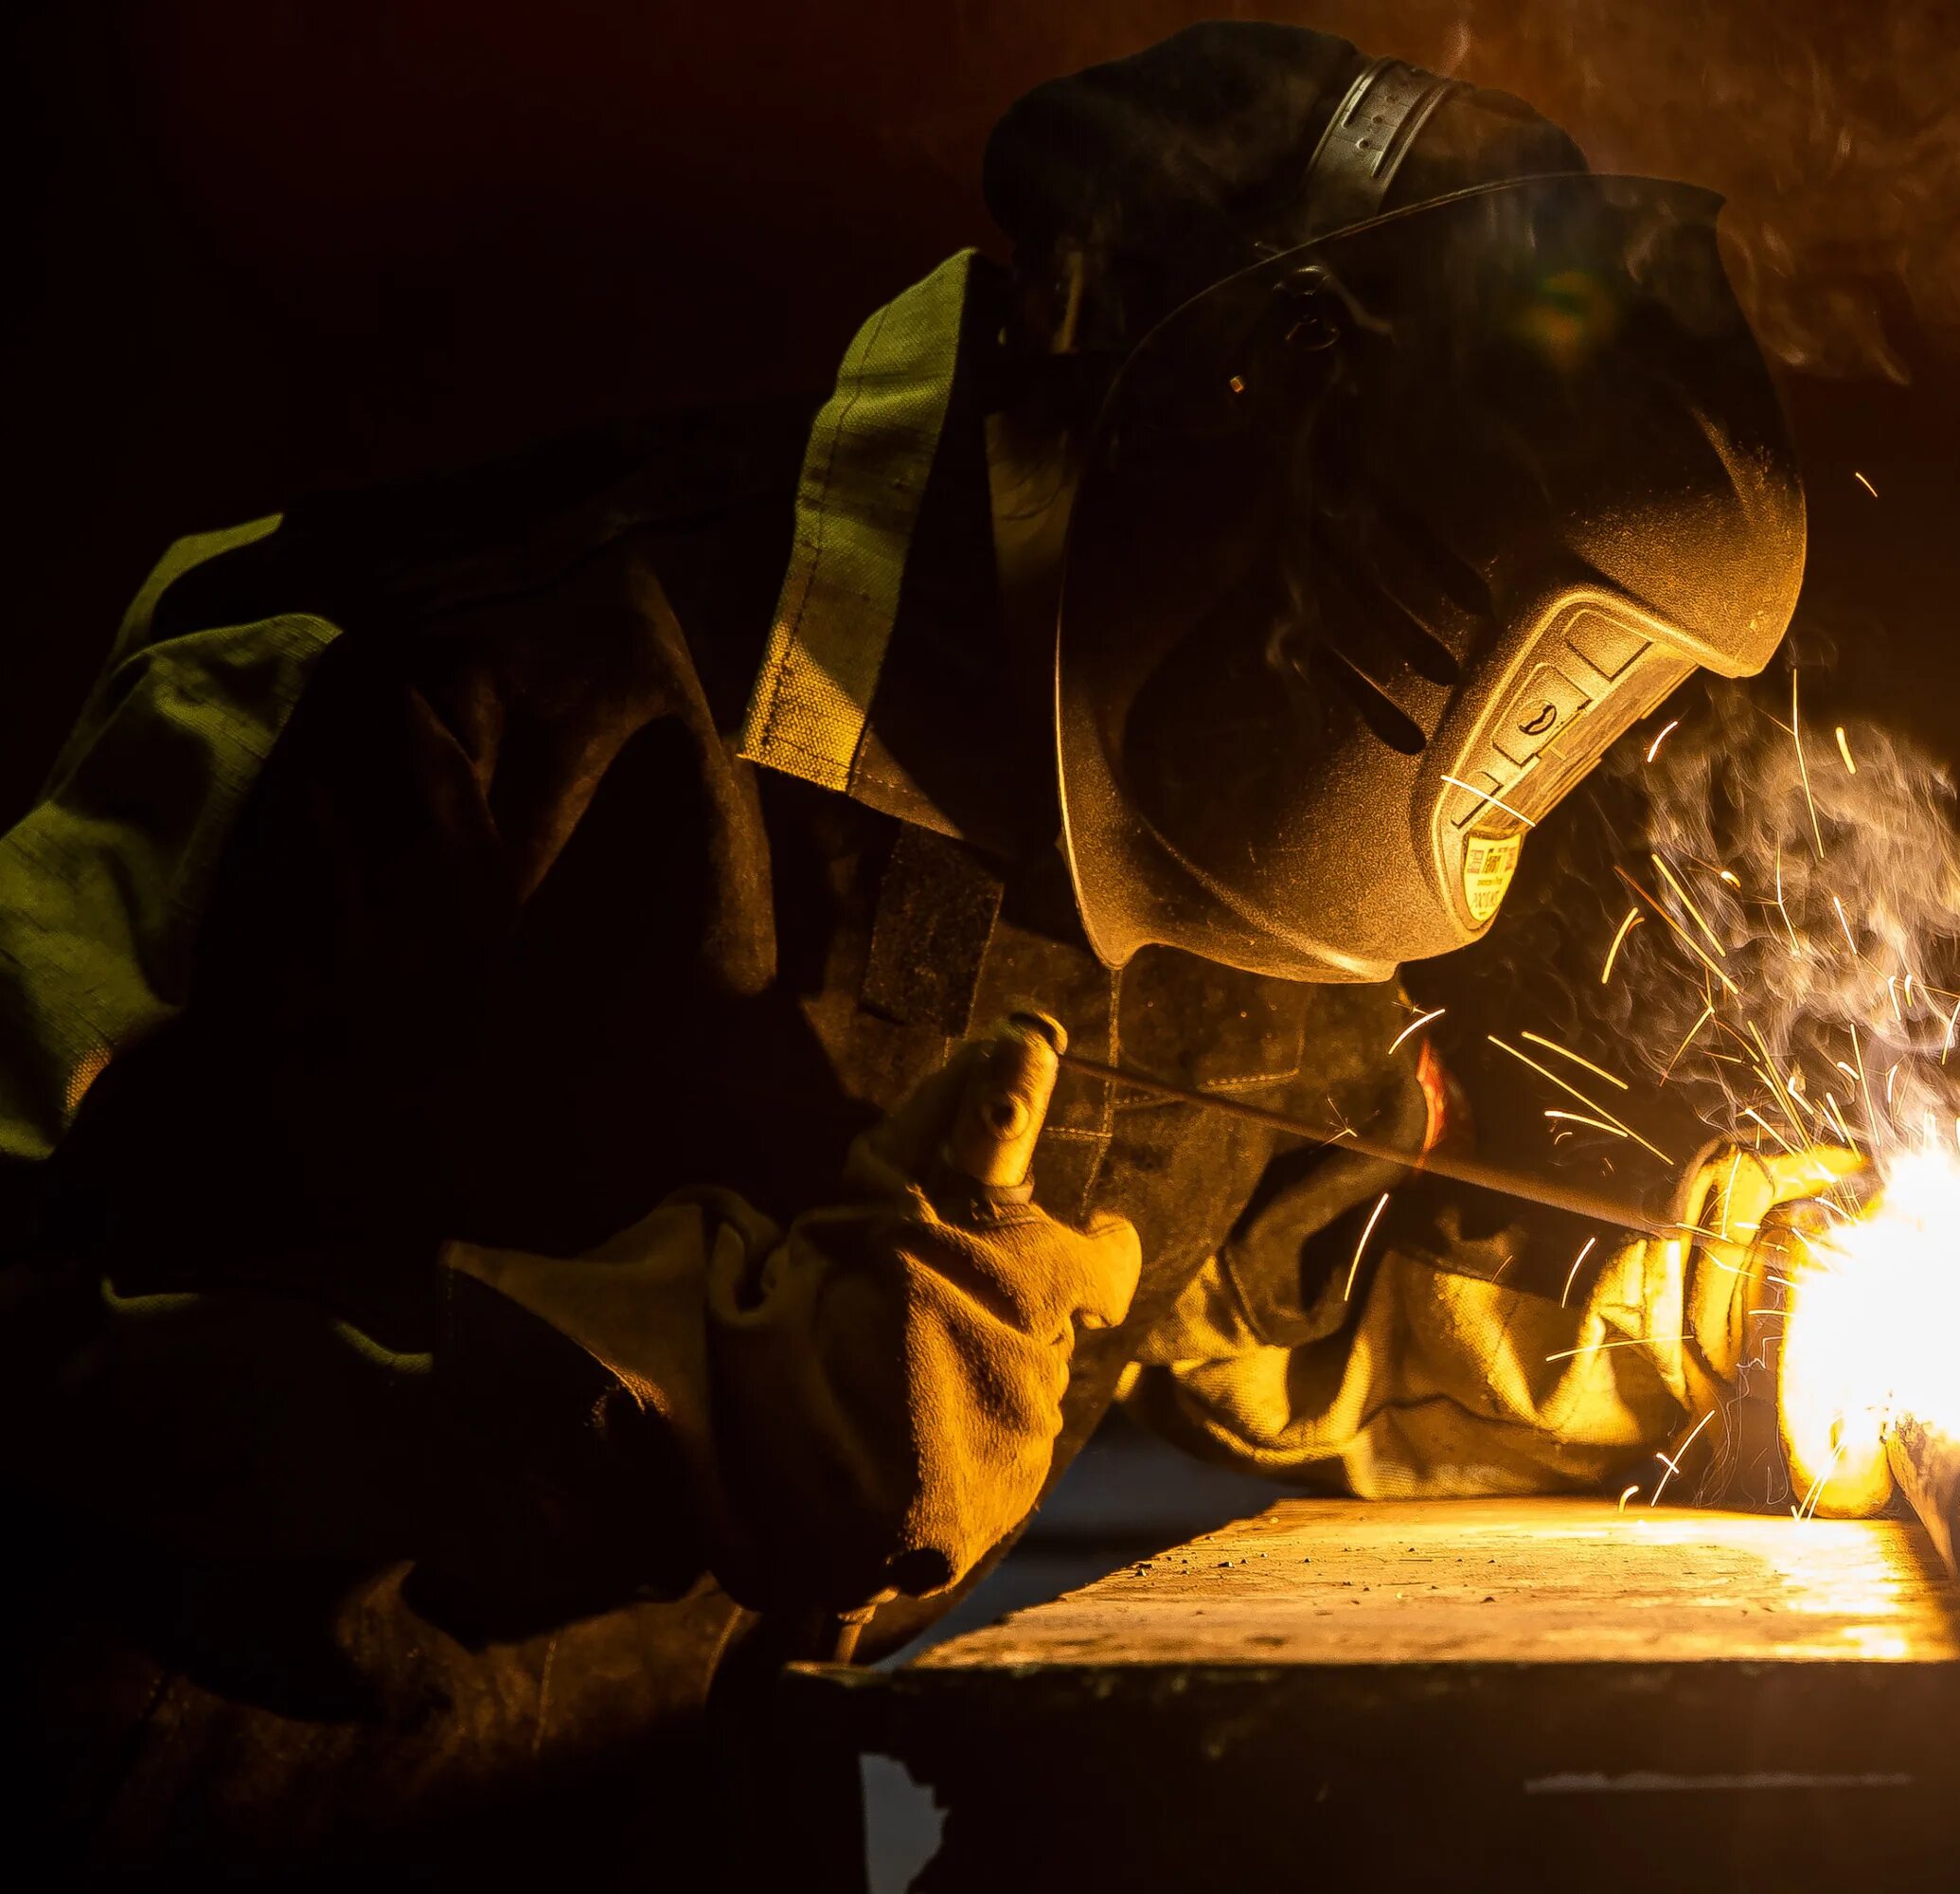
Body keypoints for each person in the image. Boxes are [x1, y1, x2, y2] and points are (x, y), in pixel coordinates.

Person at [0, 21, 1807, 1881]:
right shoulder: (436, 686)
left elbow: (1287, 1302)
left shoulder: (1250, 883)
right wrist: (650, 1387)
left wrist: (1692, 1318)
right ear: (1232, 417)